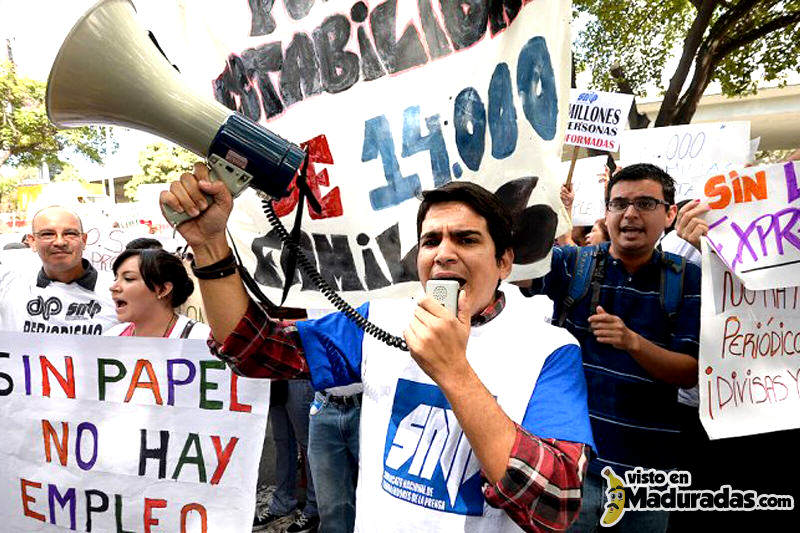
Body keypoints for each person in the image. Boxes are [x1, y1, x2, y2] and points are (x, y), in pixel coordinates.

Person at [161, 165, 594, 532]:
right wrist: (209, 245)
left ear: (504, 262)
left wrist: (453, 371)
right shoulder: (383, 322)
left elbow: (556, 504)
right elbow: (255, 348)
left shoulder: (549, 349)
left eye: (466, 240)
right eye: (430, 241)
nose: (443, 254)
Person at [520, 163, 701, 532]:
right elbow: (516, 269)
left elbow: (689, 372)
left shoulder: (687, 278)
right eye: (619, 204)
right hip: (574, 468)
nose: (630, 214)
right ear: (606, 213)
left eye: (646, 203)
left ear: (669, 214)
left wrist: (632, 342)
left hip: (648, 480)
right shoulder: (574, 265)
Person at [0, 206, 117, 334]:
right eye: (48, 234)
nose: (60, 242)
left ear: (83, 240)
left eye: (70, 233)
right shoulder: (9, 287)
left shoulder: (119, 290)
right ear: (32, 242)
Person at [104, 248, 210, 339]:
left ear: (163, 290)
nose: (113, 287)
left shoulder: (201, 340)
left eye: (128, 278)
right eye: (116, 278)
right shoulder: (110, 339)